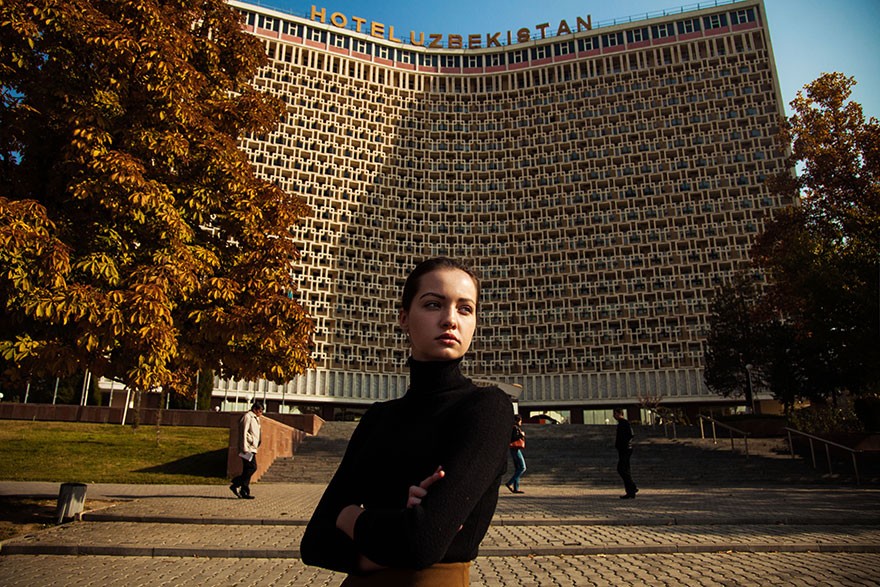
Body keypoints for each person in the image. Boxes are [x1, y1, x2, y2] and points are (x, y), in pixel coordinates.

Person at [300, 257, 513, 586]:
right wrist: (396, 529)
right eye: (433, 304)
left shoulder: (487, 408)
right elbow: (315, 543)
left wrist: (350, 516)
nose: (450, 320)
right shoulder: (378, 417)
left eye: (465, 309)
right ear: (404, 318)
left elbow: (421, 542)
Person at [230, 401, 263, 499]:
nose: (261, 413)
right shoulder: (248, 417)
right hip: (247, 448)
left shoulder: (256, 418)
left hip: (252, 448)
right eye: (260, 411)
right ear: (255, 409)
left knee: (247, 469)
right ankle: (236, 483)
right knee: (252, 467)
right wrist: (244, 447)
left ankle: (244, 491)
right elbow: (243, 432)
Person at [613, 408, 638, 499]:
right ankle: (630, 492)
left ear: (620, 413)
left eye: (615, 414)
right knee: (625, 470)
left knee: (621, 469)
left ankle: (632, 487)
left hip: (625, 449)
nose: (614, 416)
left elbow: (631, 434)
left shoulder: (624, 423)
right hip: (623, 449)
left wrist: (625, 444)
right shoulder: (621, 423)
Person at [505, 415, 526, 494]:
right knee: (522, 467)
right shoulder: (515, 428)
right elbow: (513, 437)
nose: (521, 422)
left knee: (518, 468)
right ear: (517, 421)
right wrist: (521, 435)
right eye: (520, 420)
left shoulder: (513, 427)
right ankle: (509, 483)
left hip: (513, 449)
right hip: (515, 449)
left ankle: (516, 488)